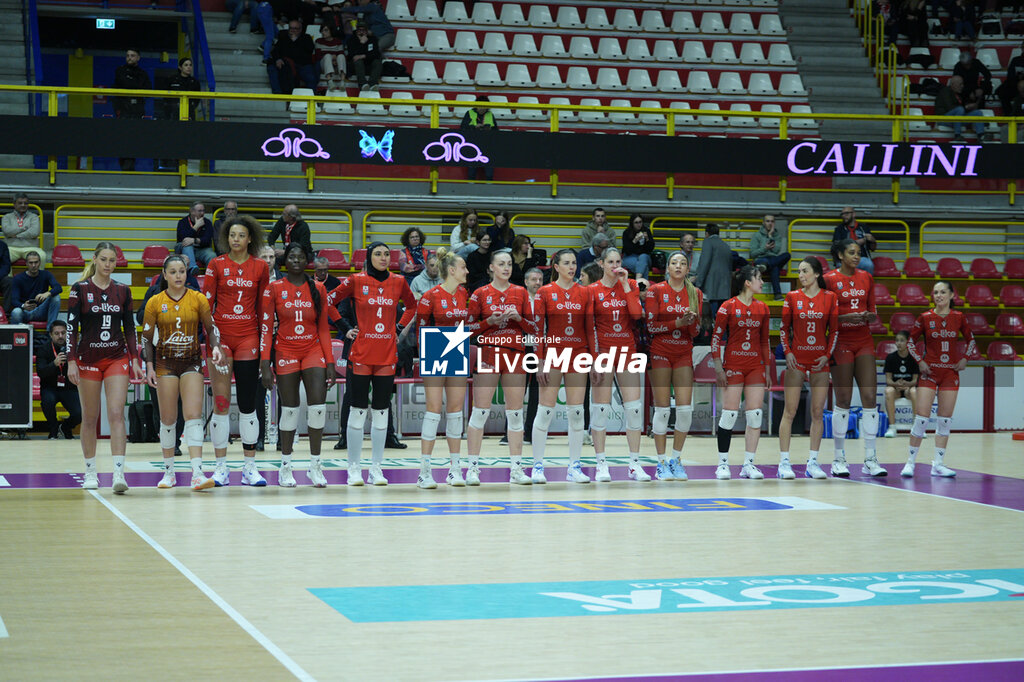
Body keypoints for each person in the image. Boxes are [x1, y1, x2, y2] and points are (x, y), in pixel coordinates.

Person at [327, 242, 416, 485]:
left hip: (386, 355)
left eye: (387, 254)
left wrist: (398, 328)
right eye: (378, 254)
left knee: (381, 412)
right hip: (361, 355)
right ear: (369, 257)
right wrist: (345, 328)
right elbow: (327, 301)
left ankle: (376, 468)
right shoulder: (355, 280)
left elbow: (412, 306)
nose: (384, 258)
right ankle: (353, 468)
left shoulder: (398, 282)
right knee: (357, 412)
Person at [67, 242, 144, 492]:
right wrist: (71, 361)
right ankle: (91, 472)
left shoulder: (123, 290)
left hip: (116, 357)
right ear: (95, 260)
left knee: (115, 413)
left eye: (112, 260)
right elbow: (71, 328)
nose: (108, 265)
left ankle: (118, 474)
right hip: (88, 359)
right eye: (104, 260)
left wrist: (134, 358)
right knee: (89, 417)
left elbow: (130, 328)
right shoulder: (79, 289)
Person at [143, 255, 222, 491]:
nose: (178, 276)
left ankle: (197, 473)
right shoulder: (155, 302)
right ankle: (169, 473)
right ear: (164, 275)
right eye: (173, 272)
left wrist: (216, 347)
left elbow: (211, 329)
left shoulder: (198, 299)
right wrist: (148, 366)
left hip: (191, 363)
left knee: (193, 416)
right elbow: (146, 339)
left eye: (182, 271)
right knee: (168, 419)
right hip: (165, 364)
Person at [203, 215, 271, 487]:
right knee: (221, 404)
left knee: (247, 403)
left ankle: (249, 468)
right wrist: (213, 341)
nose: (236, 239)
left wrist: (266, 351)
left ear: (250, 238)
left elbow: (264, 310)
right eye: (232, 235)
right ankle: (220, 468)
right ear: (226, 238)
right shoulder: (216, 264)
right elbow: (206, 307)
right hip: (221, 339)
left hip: (248, 339)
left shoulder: (260, 267)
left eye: (241, 235)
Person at [261, 243, 335, 488]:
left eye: (300, 257)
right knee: (290, 409)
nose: (295, 260)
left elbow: (324, 327)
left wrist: (331, 361)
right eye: (291, 256)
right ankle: (286, 466)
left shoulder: (318, 288)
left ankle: (315, 466)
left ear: (307, 261)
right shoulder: (274, 288)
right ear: (286, 261)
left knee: (317, 408)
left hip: (313, 350)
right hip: (286, 350)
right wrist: (265, 363)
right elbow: (266, 330)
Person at [465, 250, 536, 485]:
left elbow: (534, 329)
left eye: (509, 264)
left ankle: (517, 469)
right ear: (491, 268)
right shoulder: (479, 294)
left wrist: (518, 319)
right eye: (501, 264)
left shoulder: (521, 292)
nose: (506, 268)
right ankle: (472, 469)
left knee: (515, 414)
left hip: (515, 355)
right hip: (488, 354)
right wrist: (489, 322)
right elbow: (467, 329)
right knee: (480, 412)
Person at [410, 247, 479, 487]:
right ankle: (424, 471)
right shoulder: (430, 296)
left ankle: (455, 469)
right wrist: (426, 357)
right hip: (435, 345)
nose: (467, 271)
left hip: (457, 345)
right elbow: (420, 331)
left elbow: (468, 324)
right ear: (451, 270)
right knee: (433, 410)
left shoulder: (463, 294)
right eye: (463, 267)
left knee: (455, 410)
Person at [825, 238, 886, 478]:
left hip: (863, 340)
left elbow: (873, 310)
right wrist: (848, 316)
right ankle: (839, 459)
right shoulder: (829, 280)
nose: (856, 256)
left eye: (858, 252)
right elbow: (826, 315)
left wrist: (868, 316)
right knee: (843, 398)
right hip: (841, 341)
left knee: (870, 396)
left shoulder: (866, 277)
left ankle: (870, 458)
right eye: (851, 252)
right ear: (840, 255)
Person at [901, 281, 976, 478]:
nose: (939, 295)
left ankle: (938, 464)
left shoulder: (959, 317)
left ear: (952, 295)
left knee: (944, 420)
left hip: (950, 374)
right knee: (921, 418)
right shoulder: (925, 317)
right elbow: (910, 342)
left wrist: (965, 359)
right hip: (929, 373)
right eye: (935, 292)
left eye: (943, 292)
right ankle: (910, 463)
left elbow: (971, 340)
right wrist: (920, 361)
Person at [588, 247, 650, 482]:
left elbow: (636, 316)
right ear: (601, 264)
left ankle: (634, 464)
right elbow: (589, 327)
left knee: (634, 408)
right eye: (610, 262)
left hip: (627, 350)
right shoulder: (592, 290)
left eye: (618, 262)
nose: (615, 266)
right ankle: (601, 463)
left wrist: (625, 287)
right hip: (603, 352)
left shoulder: (631, 286)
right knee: (600, 409)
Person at [531, 249, 593, 484]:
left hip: (578, 355)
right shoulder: (545, 292)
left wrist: (593, 359)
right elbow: (538, 330)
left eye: (574, 263)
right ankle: (538, 466)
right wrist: (540, 360)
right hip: (553, 355)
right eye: (566, 263)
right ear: (555, 267)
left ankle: (574, 467)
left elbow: (590, 328)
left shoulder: (585, 292)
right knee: (545, 412)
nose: (572, 267)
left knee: (577, 414)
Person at [778, 257, 839, 480]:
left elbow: (834, 331)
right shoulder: (792, 297)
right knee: (790, 411)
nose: (800, 275)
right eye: (799, 271)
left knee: (817, 413)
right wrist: (789, 353)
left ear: (816, 274)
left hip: (820, 361)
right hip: (797, 360)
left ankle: (813, 462)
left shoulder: (830, 298)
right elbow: (783, 329)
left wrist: (827, 355)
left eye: (804, 271)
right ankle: (784, 462)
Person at [645, 251, 702, 481]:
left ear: (688, 269)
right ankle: (660, 463)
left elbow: (697, 332)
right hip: (660, 352)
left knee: (685, 410)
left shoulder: (695, 292)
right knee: (662, 410)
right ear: (667, 268)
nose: (678, 266)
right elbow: (650, 327)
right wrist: (677, 322)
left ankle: (676, 460)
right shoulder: (655, 291)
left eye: (683, 263)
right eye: (674, 263)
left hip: (683, 353)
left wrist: (690, 323)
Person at [711, 266, 771, 480]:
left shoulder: (763, 308)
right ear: (747, 282)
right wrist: (719, 367)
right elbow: (716, 339)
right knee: (729, 415)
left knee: (755, 416)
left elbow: (765, 341)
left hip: (755, 366)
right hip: (733, 364)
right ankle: (723, 464)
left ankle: (749, 464)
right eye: (759, 278)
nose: (762, 282)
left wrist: (767, 370)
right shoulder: (728, 307)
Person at [36, 320, 82, 440]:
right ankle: (53, 429)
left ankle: (66, 427)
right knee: (47, 402)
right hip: (49, 387)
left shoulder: (75, 349)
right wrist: (54, 364)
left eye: (63, 333)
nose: (60, 336)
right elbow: (41, 372)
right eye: (57, 333)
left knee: (80, 413)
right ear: (51, 335)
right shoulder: (43, 349)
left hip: (69, 388)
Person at [113, 48, 151, 171]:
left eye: (132, 55)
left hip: (137, 111)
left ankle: (130, 166)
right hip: (123, 111)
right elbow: (121, 86)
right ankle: (124, 166)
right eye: (128, 55)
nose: (129, 58)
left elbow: (148, 90)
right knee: (122, 139)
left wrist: (132, 85)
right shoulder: (120, 71)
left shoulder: (143, 73)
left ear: (138, 58)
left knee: (134, 139)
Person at [693, 223, 732, 320]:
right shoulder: (726, 245)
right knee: (722, 318)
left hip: (712, 286)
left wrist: (698, 283)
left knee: (711, 319)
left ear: (706, 233)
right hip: (725, 287)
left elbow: (704, 263)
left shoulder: (708, 242)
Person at [884, 330, 919, 438]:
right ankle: (892, 427)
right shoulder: (890, 358)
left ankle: (917, 427)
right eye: (897, 340)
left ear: (908, 343)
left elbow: (915, 381)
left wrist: (908, 384)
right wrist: (896, 384)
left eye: (902, 341)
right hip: (896, 390)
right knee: (888, 391)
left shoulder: (914, 358)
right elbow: (888, 380)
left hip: (909, 389)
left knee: (914, 391)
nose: (898, 343)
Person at [268, 20, 319, 95]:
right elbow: (275, 51)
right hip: (286, 64)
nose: (293, 30)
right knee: (271, 68)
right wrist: (278, 59)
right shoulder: (283, 38)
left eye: (296, 28)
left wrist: (295, 41)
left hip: (303, 64)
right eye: (291, 28)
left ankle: (312, 99)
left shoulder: (306, 37)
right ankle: (277, 94)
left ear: (300, 29)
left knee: (311, 77)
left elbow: (309, 51)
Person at [10, 252, 61, 326]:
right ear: (26, 264)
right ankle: (16, 336)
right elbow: (14, 300)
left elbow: (58, 287)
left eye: (36, 262)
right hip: (25, 312)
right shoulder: (18, 278)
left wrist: (47, 294)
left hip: (41, 311)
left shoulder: (46, 274)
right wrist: (23, 305)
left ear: (40, 263)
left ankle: (50, 333)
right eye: (31, 263)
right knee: (16, 311)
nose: (33, 265)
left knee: (56, 297)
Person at [748, 215, 792, 300]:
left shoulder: (777, 236)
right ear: (763, 223)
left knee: (787, 255)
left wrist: (770, 236)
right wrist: (765, 248)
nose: (770, 223)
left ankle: (766, 265)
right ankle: (777, 295)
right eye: (768, 221)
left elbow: (775, 251)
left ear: (774, 223)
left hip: (773, 259)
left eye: (772, 221)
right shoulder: (757, 235)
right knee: (774, 268)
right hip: (761, 260)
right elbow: (753, 254)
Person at [935, 74, 986, 141]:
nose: (962, 86)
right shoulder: (945, 91)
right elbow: (950, 108)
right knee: (960, 109)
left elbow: (961, 110)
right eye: (960, 84)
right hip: (944, 119)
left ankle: (981, 136)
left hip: (956, 120)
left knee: (977, 113)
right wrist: (966, 107)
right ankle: (957, 135)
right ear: (953, 84)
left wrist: (970, 107)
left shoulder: (958, 94)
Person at [460, 96, 498, 181]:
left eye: (485, 106)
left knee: (489, 174)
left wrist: (489, 129)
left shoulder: (490, 114)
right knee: (471, 172)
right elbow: (462, 128)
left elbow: (496, 130)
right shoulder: (469, 113)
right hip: (472, 145)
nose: (482, 108)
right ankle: (470, 189)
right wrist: (474, 127)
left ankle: (489, 188)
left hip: (487, 146)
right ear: (476, 105)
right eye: (480, 106)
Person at [831, 207, 876, 274]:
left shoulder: (863, 228)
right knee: (840, 265)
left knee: (868, 264)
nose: (844, 216)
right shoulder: (839, 229)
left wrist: (873, 240)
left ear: (853, 214)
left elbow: (873, 248)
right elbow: (836, 247)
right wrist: (857, 242)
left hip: (861, 258)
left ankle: (866, 284)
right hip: (845, 258)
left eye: (846, 213)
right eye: (842, 214)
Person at [2, 193, 45, 263]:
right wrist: (23, 229)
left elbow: (34, 232)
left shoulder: (34, 217)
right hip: (11, 248)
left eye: (25, 203)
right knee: (2, 258)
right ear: (14, 204)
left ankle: (39, 274)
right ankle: (7, 275)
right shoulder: (7, 217)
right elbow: (7, 231)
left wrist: (16, 235)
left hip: (31, 248)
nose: (23, 205)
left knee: (42, 256)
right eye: (20, 203)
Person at [176, 201, 217, 273]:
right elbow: (182, 238)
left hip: (201, 249)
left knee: (212, 255)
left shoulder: (207, 222)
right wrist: (195, 227)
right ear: (192, 211)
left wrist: (194, 240)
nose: (202, 213)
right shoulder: (183, 222)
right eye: (199, 211)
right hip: (185, 249)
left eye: (203, 210)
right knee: (187, 245)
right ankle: (192, 269)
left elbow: (207, 240)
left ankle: (210, 276)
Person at [347, 21, 382, 91]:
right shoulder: (352, 39)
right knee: (358, 61)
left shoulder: (373, 39)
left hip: (368, 64)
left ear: (367, 31)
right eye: (359, 30)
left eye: (363, 30)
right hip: (355, 66)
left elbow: (376, 54)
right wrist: (361, 43)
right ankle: (363, 85)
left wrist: (363, 56)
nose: (361, 32)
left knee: (377, 62)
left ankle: (373, 84)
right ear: (356, 30)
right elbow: (352, 55)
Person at [620, 214, 655, 280]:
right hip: (630, 257)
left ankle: (637, 281)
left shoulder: (646, 231)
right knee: (644, 266)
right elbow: (627, 250)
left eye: (640, 222)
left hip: (645, 257)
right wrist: (635, 240)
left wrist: (647, 239)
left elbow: (650, 249)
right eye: (636, 222)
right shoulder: (627, 232)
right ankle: (642, 286)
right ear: (632, 223)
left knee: (643, 258)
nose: (639, 224)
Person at [315, 23, 347, 88]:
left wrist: (334, 59)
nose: (323, 32)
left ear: (331, 31)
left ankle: (342, 81)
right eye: (322, 31)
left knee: (341, 56)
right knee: (327, 56)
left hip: (336, 65)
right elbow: (318, 56)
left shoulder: (338, 42)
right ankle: (329, 81)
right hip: (324, 65)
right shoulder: (318, 41)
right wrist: (332, 57)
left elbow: (341, 53)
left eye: (326, 30)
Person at [0, 238, 10, 313]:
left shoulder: (2, 245)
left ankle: (6, 313)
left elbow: (6, 266)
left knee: (9, 282)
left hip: (0, 277)